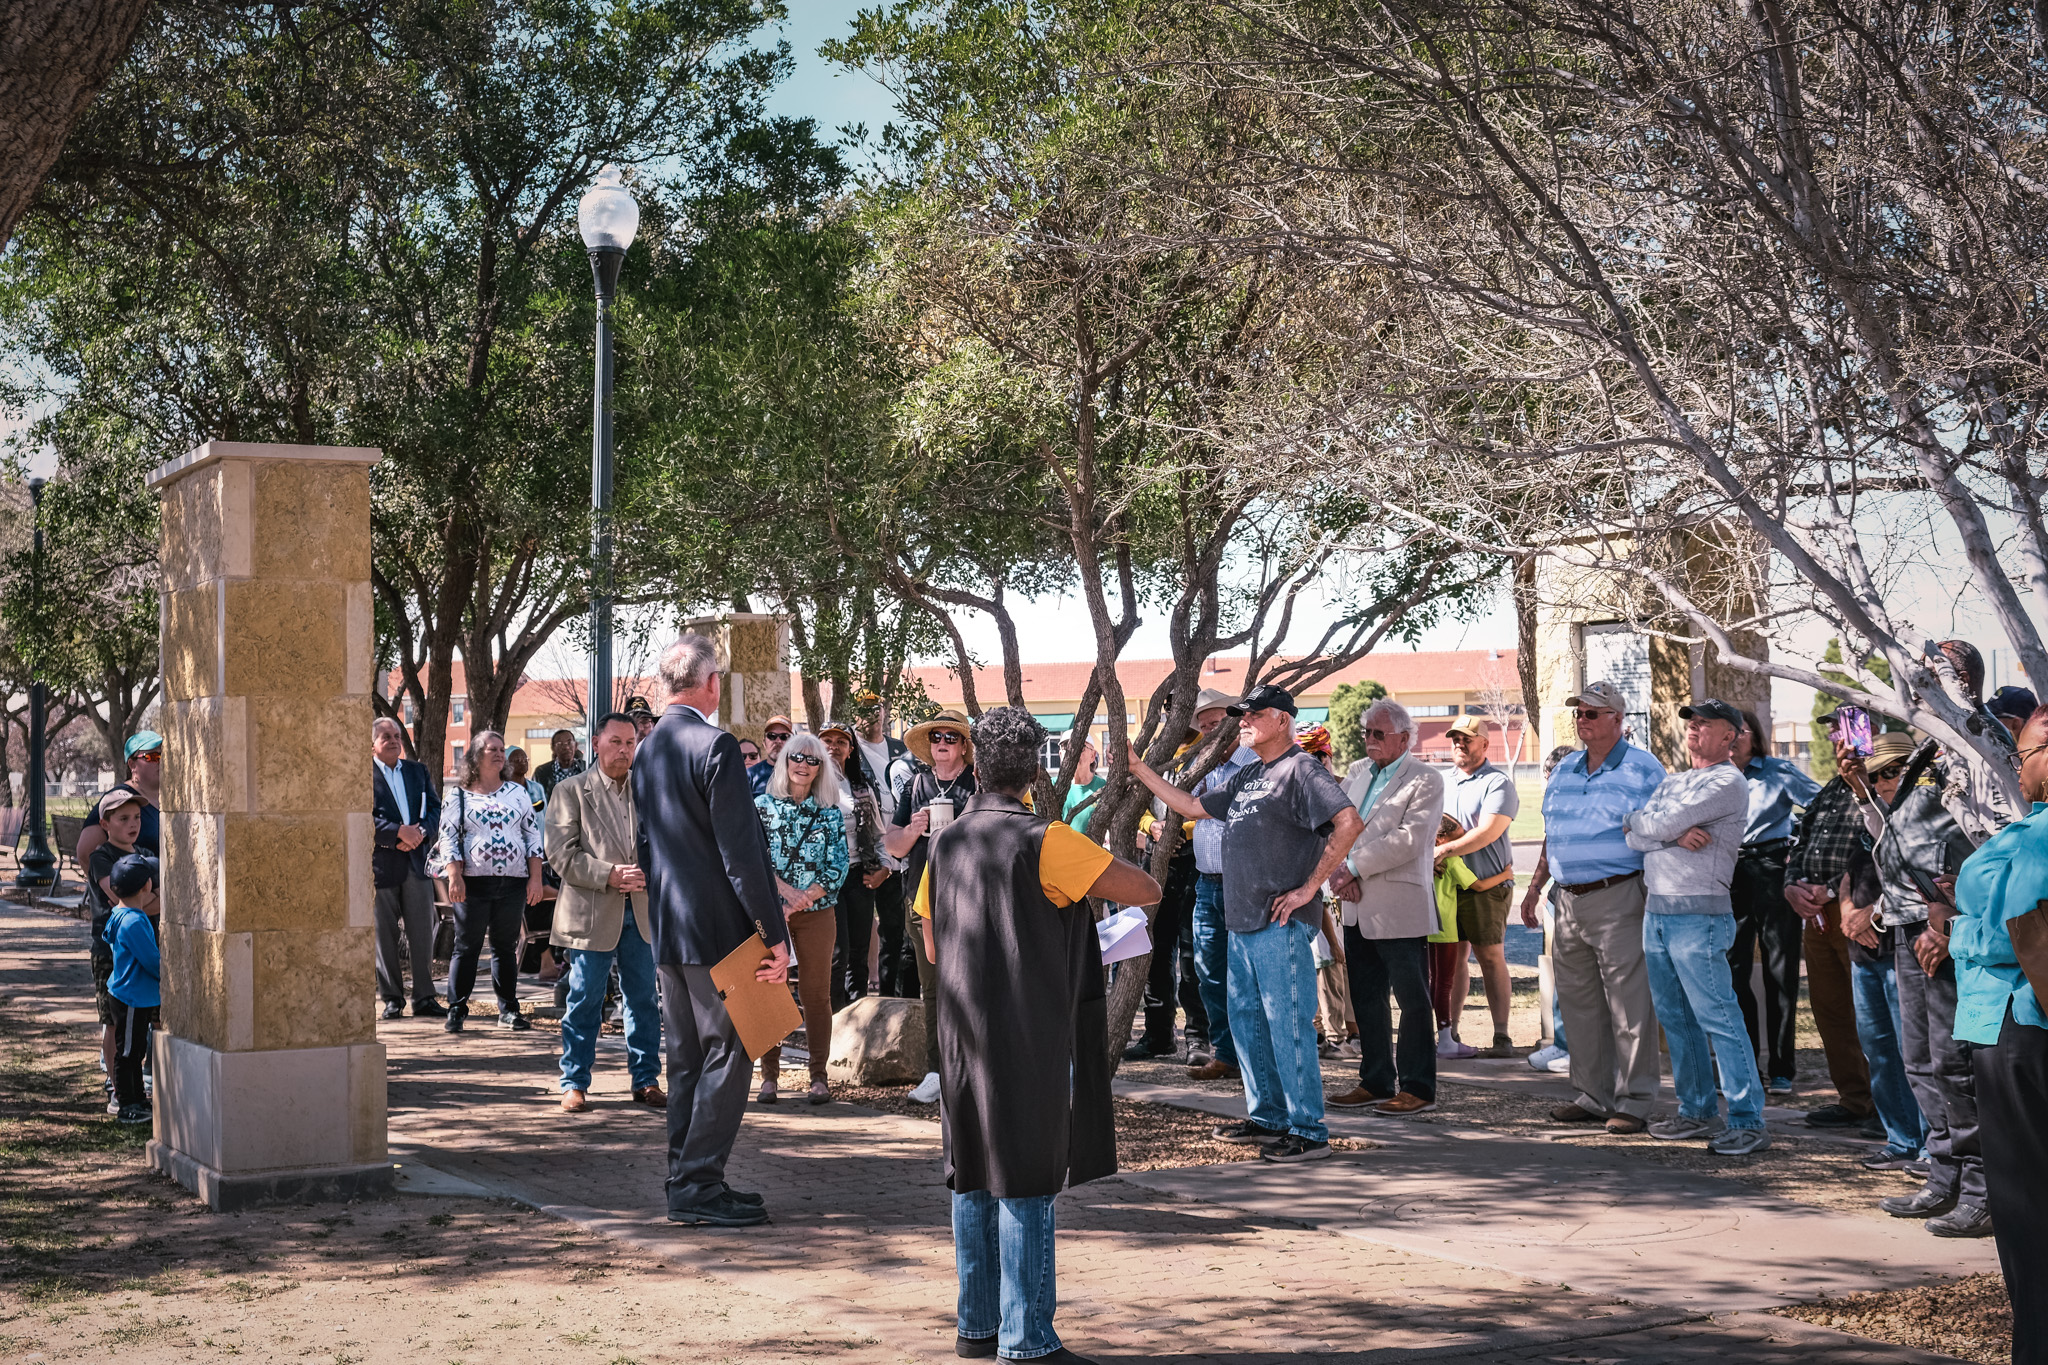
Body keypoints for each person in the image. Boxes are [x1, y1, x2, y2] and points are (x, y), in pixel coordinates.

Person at [913, 707, 1160, 1365]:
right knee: (1024, 1173)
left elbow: (933, 944)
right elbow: (1145, 887)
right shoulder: (1047, 839)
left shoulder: (946, 842)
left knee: (970, 1171)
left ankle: (976, 1327)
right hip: (1024, 1033)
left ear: (976, 766)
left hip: (962, 1034)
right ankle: (1027, 1339)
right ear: (1034, 775)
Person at [1128, 684, 1364, 1163]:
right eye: (1243, 715)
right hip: (1242, 922)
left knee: (1288, 1027)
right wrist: (1137, 768)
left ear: (1282, 719)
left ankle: (1309, 1131)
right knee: (1248, 1024)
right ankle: (1268, 1117)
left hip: (1281, 923)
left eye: (1254, 714)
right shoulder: (1251, 773)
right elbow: (1191, 807)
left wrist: (1309, 889)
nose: (1245, 722)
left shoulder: (1301, 769)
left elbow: (1349, 823)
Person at [634, 633, 790, 1228]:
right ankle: (697, 1183)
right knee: (734, 1047)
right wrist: (773, 934)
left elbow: (646, 846)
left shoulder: (647, 749)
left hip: (669, 927)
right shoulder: (716, 745)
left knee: (685, 1059)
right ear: (710, 684)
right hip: (720, 930)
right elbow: (741, 855)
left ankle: (687, 1179)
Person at [1520, 682, 1667, 1136]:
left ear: (1618, 719)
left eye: (1592, 713)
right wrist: (1535, 887)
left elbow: (1662, 831)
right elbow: (1554, 833)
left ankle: (1635, 1100)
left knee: (1629, 1005)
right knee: (1579, 1004)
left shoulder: (1644, 768)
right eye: (1579, 712)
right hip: (1566, 899)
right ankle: (1594, 1095)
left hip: (1619, 894)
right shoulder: (1565, 768)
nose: (1582, 720)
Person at [1626, 700, 1770, 1155]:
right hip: (1658, 913)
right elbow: (1633, 835)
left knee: (1719, 1018)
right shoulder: (1673, 781)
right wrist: (1667, 834)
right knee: (1677, 1019)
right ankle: (1698, 1112)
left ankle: (1747, 1120)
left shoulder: (1728, 781)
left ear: (1731, 736)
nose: (1694, 728)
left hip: (1700, 915)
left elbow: (1653, 824)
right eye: (1692, 722)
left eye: (1706, 724)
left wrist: (1653, 827)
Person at [1949, 703, 2048, 1359]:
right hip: (2010, 1022)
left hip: (2022, 1024)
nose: (2020, 762)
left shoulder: (2036, 836)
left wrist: (1956, 931)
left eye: (2029, 750)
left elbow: (2023, 931)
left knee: (2026, 1203)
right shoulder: (2025, 830)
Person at [1863, 730, 1989, 1236]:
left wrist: (1948, 922)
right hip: (1906, 923)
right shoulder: (1924, 755)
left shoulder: (1971, 748)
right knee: (1919, 1058)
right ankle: (1944, 1176)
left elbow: (1985, 844)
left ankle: (1981, 1189)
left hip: (1946, 924)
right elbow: (1895, 840)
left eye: (1889, 772)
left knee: (1954, 1062)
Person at [1327, 699, 1445, 1116]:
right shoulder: (1359, 773)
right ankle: (1375, 1080)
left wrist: (1353, 868)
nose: (1370, 740)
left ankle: (1418, 1088)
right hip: (1356, 904)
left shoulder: (1425, 778)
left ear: (1404, 738)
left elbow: (1410, 839)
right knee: (1366, 997)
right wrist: (1341, 872)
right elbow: (1337, 825)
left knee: (1412, 1000)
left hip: (1398, 905)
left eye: (1379, 733)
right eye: (1367, 732)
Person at [546, 711, 664, 1114]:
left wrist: (650, 873)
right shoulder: (570, 791)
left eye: (630, 743)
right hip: (591, 912)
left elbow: (665, 846)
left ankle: (646, 1080)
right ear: (595, 744)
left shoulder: (649, 791)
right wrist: (609, 874)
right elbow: (560, 854)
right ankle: (574, 1082)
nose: (624, 750)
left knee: (643, 1001)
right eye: (616, 742)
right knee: (584, 1000)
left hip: (642, 912)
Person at [1781, 713, 1880, 1134]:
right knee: (1831, 1010)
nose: (1836, 737)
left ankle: (1889, 1106)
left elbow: (1880, 845)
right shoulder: (1830, 788)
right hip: (1817, 914)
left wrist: (1827, 888)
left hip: (1858, 911)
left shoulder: (1881, 783)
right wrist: (1792, 885)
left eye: (1844, 728)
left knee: (1871, 1012)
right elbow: (1801, 841)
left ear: (1868, 733)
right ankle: (1855, 1100)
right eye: (1833, 730)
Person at [1725, 708, 1821, 1094]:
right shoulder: (1712, 776)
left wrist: (1800, 850)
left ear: (1755, 736)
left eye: (1741, 731)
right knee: (1733, 970)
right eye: (1727, 731)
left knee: (1779, 971)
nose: (1733, 738)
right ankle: (1746, 1065)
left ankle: (1782, 1068)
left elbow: (1822, 807)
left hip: (1772, 869)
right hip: (1728, 874)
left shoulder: (1778, 771)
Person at [885, 708, 977, 1104]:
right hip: (921, 900)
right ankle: (938, 1071)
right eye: (936, 737)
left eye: (950, 737)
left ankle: (974, 1068)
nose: (942, 743)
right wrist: (913, 829)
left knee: (973, 984)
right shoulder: (917, 784)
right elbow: (893, 846)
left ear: (964, 746)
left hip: (969, 897)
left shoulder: (977, 783)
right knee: (933, 988)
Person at [755, 730, 850, 1106]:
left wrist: (800, 900)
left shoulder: (830, 813)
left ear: (821, 768)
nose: (804, 765)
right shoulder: (761, 806)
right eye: (797, 757)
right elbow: (752, 859)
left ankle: (818, 1077)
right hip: (770, 914)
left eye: (813, 760)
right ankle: (769, 1076)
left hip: (816, 914)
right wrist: (782, 892)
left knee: (815, 994)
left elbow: (838, 866)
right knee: (770, 991)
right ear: (784, 760)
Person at [436, 729, 545, 1034]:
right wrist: (455, 877)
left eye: (501, 749)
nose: (499, 754)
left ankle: (508, 1010)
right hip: (473, 884)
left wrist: (535, 878)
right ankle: (457, 1009)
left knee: (505, 947)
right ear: (475, 756)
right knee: (466, 946)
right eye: (491, 749)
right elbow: (448, 839)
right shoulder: (458, 796)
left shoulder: (517, 793)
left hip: (513, 882)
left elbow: (532, 836)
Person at [1435, 714, 1520, 1058]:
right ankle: (1450, 1033)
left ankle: (1501, 1036)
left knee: (1489, 956)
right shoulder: (1441, 781)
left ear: (1485, 744)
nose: (1459, 744)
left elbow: (1487, 832)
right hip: (1448, 886)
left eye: (1466, 739)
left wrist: (1444, 850)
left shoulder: (1497, 783)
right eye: (1455, 738)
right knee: (1453, 959)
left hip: (1488, 884)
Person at [1185, 688, 1251, 1079]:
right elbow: (1182, 802)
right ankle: (1226, 1055)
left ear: (1235, 724)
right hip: (1206, 883)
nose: (1209, 732)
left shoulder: (1252, 763)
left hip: (1242, 884)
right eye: (1204, 727)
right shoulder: (1203, 765)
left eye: (1216, 724)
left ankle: (1249, 1058)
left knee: (1243, 975)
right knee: (1208, 973)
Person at [373, 718, 446, 1021]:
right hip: (382, 867)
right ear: (372, 744)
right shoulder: (360, 776)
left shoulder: (418, 771)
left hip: (417, 863)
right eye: (385, 737)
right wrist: (397, 833)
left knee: (422, 934)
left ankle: (425, 997)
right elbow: (362, 816)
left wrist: (420, 833)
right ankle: (392, 999)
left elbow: (435, 809)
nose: (393, 740)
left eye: (397, 735)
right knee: (384, 936)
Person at [86, 788, 155, 1106]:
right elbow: (120, 899)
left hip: (144, 945)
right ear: (105, 823)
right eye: (123, 818)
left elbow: (152, 899)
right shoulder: (101, 857)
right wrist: (151, 899)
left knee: (142, 1024)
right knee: (114, 1023)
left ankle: (139, 1087)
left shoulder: (144, 853)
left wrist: (146, 900)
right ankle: (118, 1091)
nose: (133, 824)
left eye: (137, 817)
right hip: (109, 952)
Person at [819, 721, 893, 1008]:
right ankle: (834, 1021)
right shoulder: (808, 785)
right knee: (836, 954)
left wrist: (884, 868)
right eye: (827, 740)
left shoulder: (861, 787)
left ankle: (857, 1018)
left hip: (859, 876)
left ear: (850, 749)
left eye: (841, 742)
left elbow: (878, 834)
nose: (834, 747)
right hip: (825, 882)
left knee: (859, 954)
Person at [1525, 744, 1580, 1074]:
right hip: (1561, 894)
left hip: (1597, 894)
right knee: (1563, 973)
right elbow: (1550, 844)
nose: (1550, 784)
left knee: (1593, 978)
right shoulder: (1555, 800)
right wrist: (1535, 889)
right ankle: (1563, 1044)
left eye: (1553, 776)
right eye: (1547, 777)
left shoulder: (1588, 798)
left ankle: (1586, 1050)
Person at [103, 852, 161, 1126]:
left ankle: (137, 1099)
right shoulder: (134, 921)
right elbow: (151, 960)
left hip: (129, 995)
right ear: (146, 886)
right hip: (132, 998)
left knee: (135, 1051)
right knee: (128, 1053)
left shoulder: (120, 913)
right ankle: (127, 1104)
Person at [77, 729, 163, 868]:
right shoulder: (119, 799)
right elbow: (85, 853)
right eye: (152, 757)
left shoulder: (172, 799)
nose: (161, 761)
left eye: (164, 755)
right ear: (132, 765)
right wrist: (111, 882)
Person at [1061, 739, 1106, 836]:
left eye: (1081, 748)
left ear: (1092, 755)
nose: (1072, 752)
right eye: (1066, 748)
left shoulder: (1105, 787)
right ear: (1060, 755)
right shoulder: (1050, 787)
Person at [533, 729, 585, 800]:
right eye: (560, 744)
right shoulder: (541, 772)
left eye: (569, 742)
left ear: (575, 745)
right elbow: (535, 800)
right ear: (553, 748)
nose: (566, 747)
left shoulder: (587, 768)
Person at [749, 715, 794, 797]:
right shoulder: (750, 775)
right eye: (772, 736)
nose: (778, 741)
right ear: (764, 743)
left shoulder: (800, 773)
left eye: (784, 736)